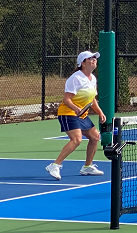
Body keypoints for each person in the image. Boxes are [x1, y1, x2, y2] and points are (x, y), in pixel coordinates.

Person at [46, 51, 107, 180]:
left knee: (95, 137)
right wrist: (76, 108)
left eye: (95, 58)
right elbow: (67, 99)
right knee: (77, 139)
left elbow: (92, 100)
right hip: (68, 113)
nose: (94, 60)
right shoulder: (75, 78)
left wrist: (100, 112)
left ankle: (87, 167)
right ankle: (55, 165)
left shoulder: (93, 78)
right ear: (83, 63)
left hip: (81, 114)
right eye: (90, 58)